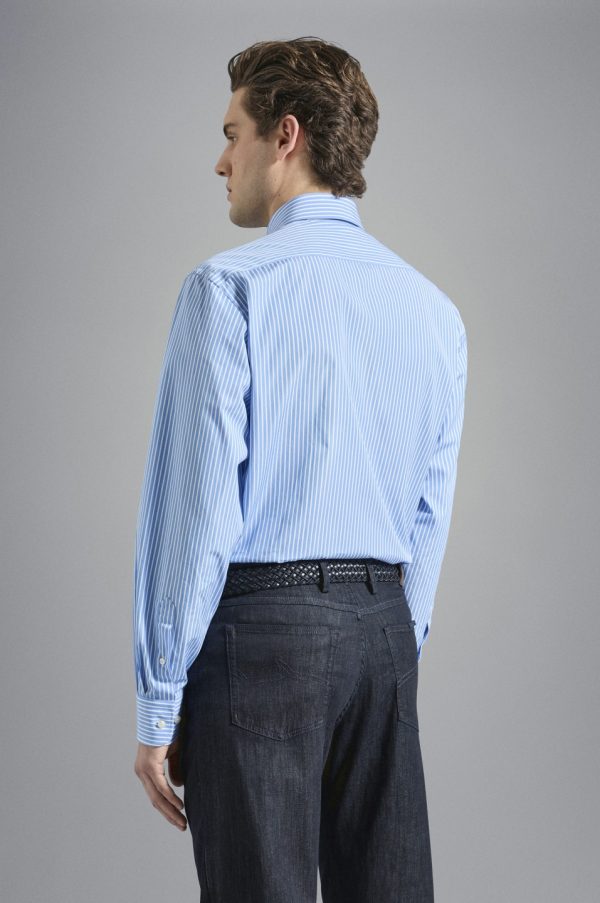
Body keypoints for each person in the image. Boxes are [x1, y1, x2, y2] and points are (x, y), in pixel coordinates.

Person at [133, 35, 467, 903]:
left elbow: (196, 513)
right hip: (384, 628)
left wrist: (158, 701)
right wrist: (394, 648)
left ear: (286, 135)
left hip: (263, 637)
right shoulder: (433, 311)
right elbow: (429, 513)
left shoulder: (228, 288)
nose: (221, 161)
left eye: (231, 133)